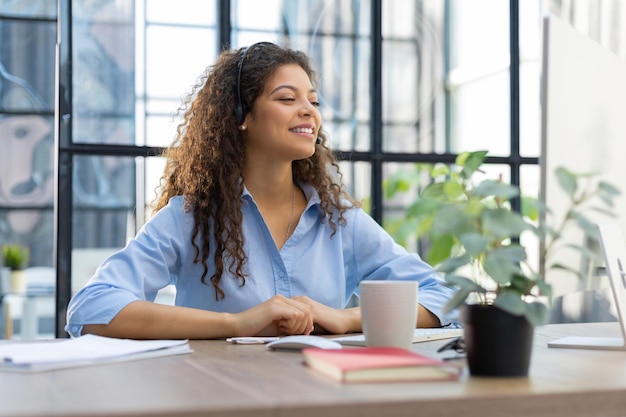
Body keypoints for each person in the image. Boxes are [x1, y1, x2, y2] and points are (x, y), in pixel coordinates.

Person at [65, 42, 459, 340]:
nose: (309, 110)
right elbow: (90, 308)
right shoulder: (190, 217)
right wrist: (236, 323)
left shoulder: (340, 221)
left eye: (313, 100)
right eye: (287, 98)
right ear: (241, 117)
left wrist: (345, 317)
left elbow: (445, 297)